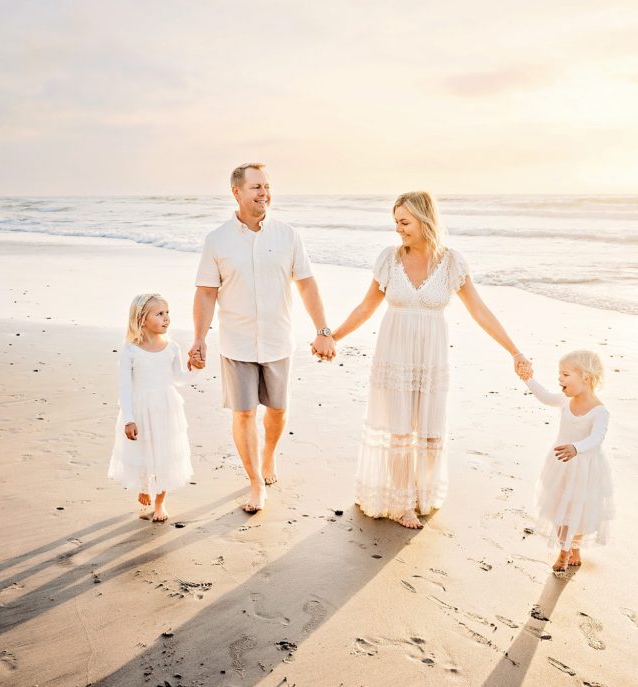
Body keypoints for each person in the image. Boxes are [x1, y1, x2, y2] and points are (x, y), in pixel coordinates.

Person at [330, 191, 531, 529]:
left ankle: (421, 493)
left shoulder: (452, 262)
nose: (399, 229)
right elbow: (366, 306)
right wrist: (333, 336)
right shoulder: (389, 259)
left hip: (431, 358)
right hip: (395, 354)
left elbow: (480, 311)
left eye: (405, 222)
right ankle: (401, 502)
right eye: (396, 222)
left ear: (425, 220)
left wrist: (515, 350)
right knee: (398, 430)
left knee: (429, 431)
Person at [190, 163, 335, 514]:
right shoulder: (217, 240)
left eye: (267, 186)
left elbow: (306, 284)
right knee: (243, 414)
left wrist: (323, 330)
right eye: (256, 187)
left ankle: (268, 455)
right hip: (236, 342)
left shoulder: (288, 236)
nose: (264, 193)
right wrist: (199, 339)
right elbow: (206, 293)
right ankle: (256, 482)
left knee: (278, 410)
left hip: (277, 341)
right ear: (237, 192)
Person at [518, 349, 613, 572]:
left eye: (565, 374)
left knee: (579, 509)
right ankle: (564, 549)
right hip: (561, 466)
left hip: (585, 470)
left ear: (585, 378)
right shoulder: (563, 400)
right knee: (560, 506)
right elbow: (544, 396)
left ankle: (574, 547)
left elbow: (597, 438)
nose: (559, 379)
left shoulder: (600, 412)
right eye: (559, 374)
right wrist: (528, 379)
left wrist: (576, 448)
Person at [108, 293, 197, 523]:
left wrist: (194, 368)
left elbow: (178, 378)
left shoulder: (172, 347)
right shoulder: (130, 349)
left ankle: (160, 502)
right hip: (139, 409)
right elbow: (124, 387)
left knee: (164, 454)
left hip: (166, 408)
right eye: (159, 314)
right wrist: (128, 418)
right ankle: (144, 485)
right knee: (142, 451)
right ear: (141, 319)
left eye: (168, 313)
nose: (166, 318)